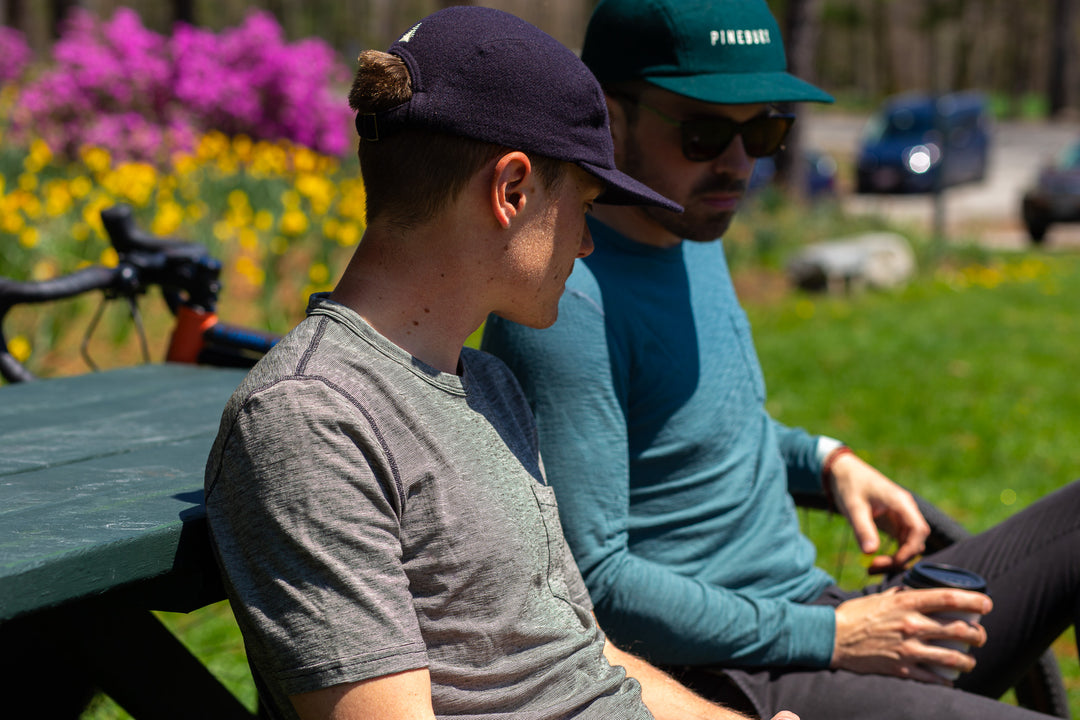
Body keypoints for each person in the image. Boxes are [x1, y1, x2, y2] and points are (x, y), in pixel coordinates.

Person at [481, 0, 1080, 718]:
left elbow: (692, 430)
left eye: (763, 131)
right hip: (735, 673)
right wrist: (834, 635)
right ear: (611, 118)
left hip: (825, 618)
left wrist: (826, 459)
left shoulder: (692, 229)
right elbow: (595, 585)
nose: (738, 165)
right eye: (704, 133)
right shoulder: (564, 302)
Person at [204, 6, 801, 720]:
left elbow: (586, 655)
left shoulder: (487, 384)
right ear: (511, 192)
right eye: (583, 203)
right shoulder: (310, 421)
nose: (586, 245)